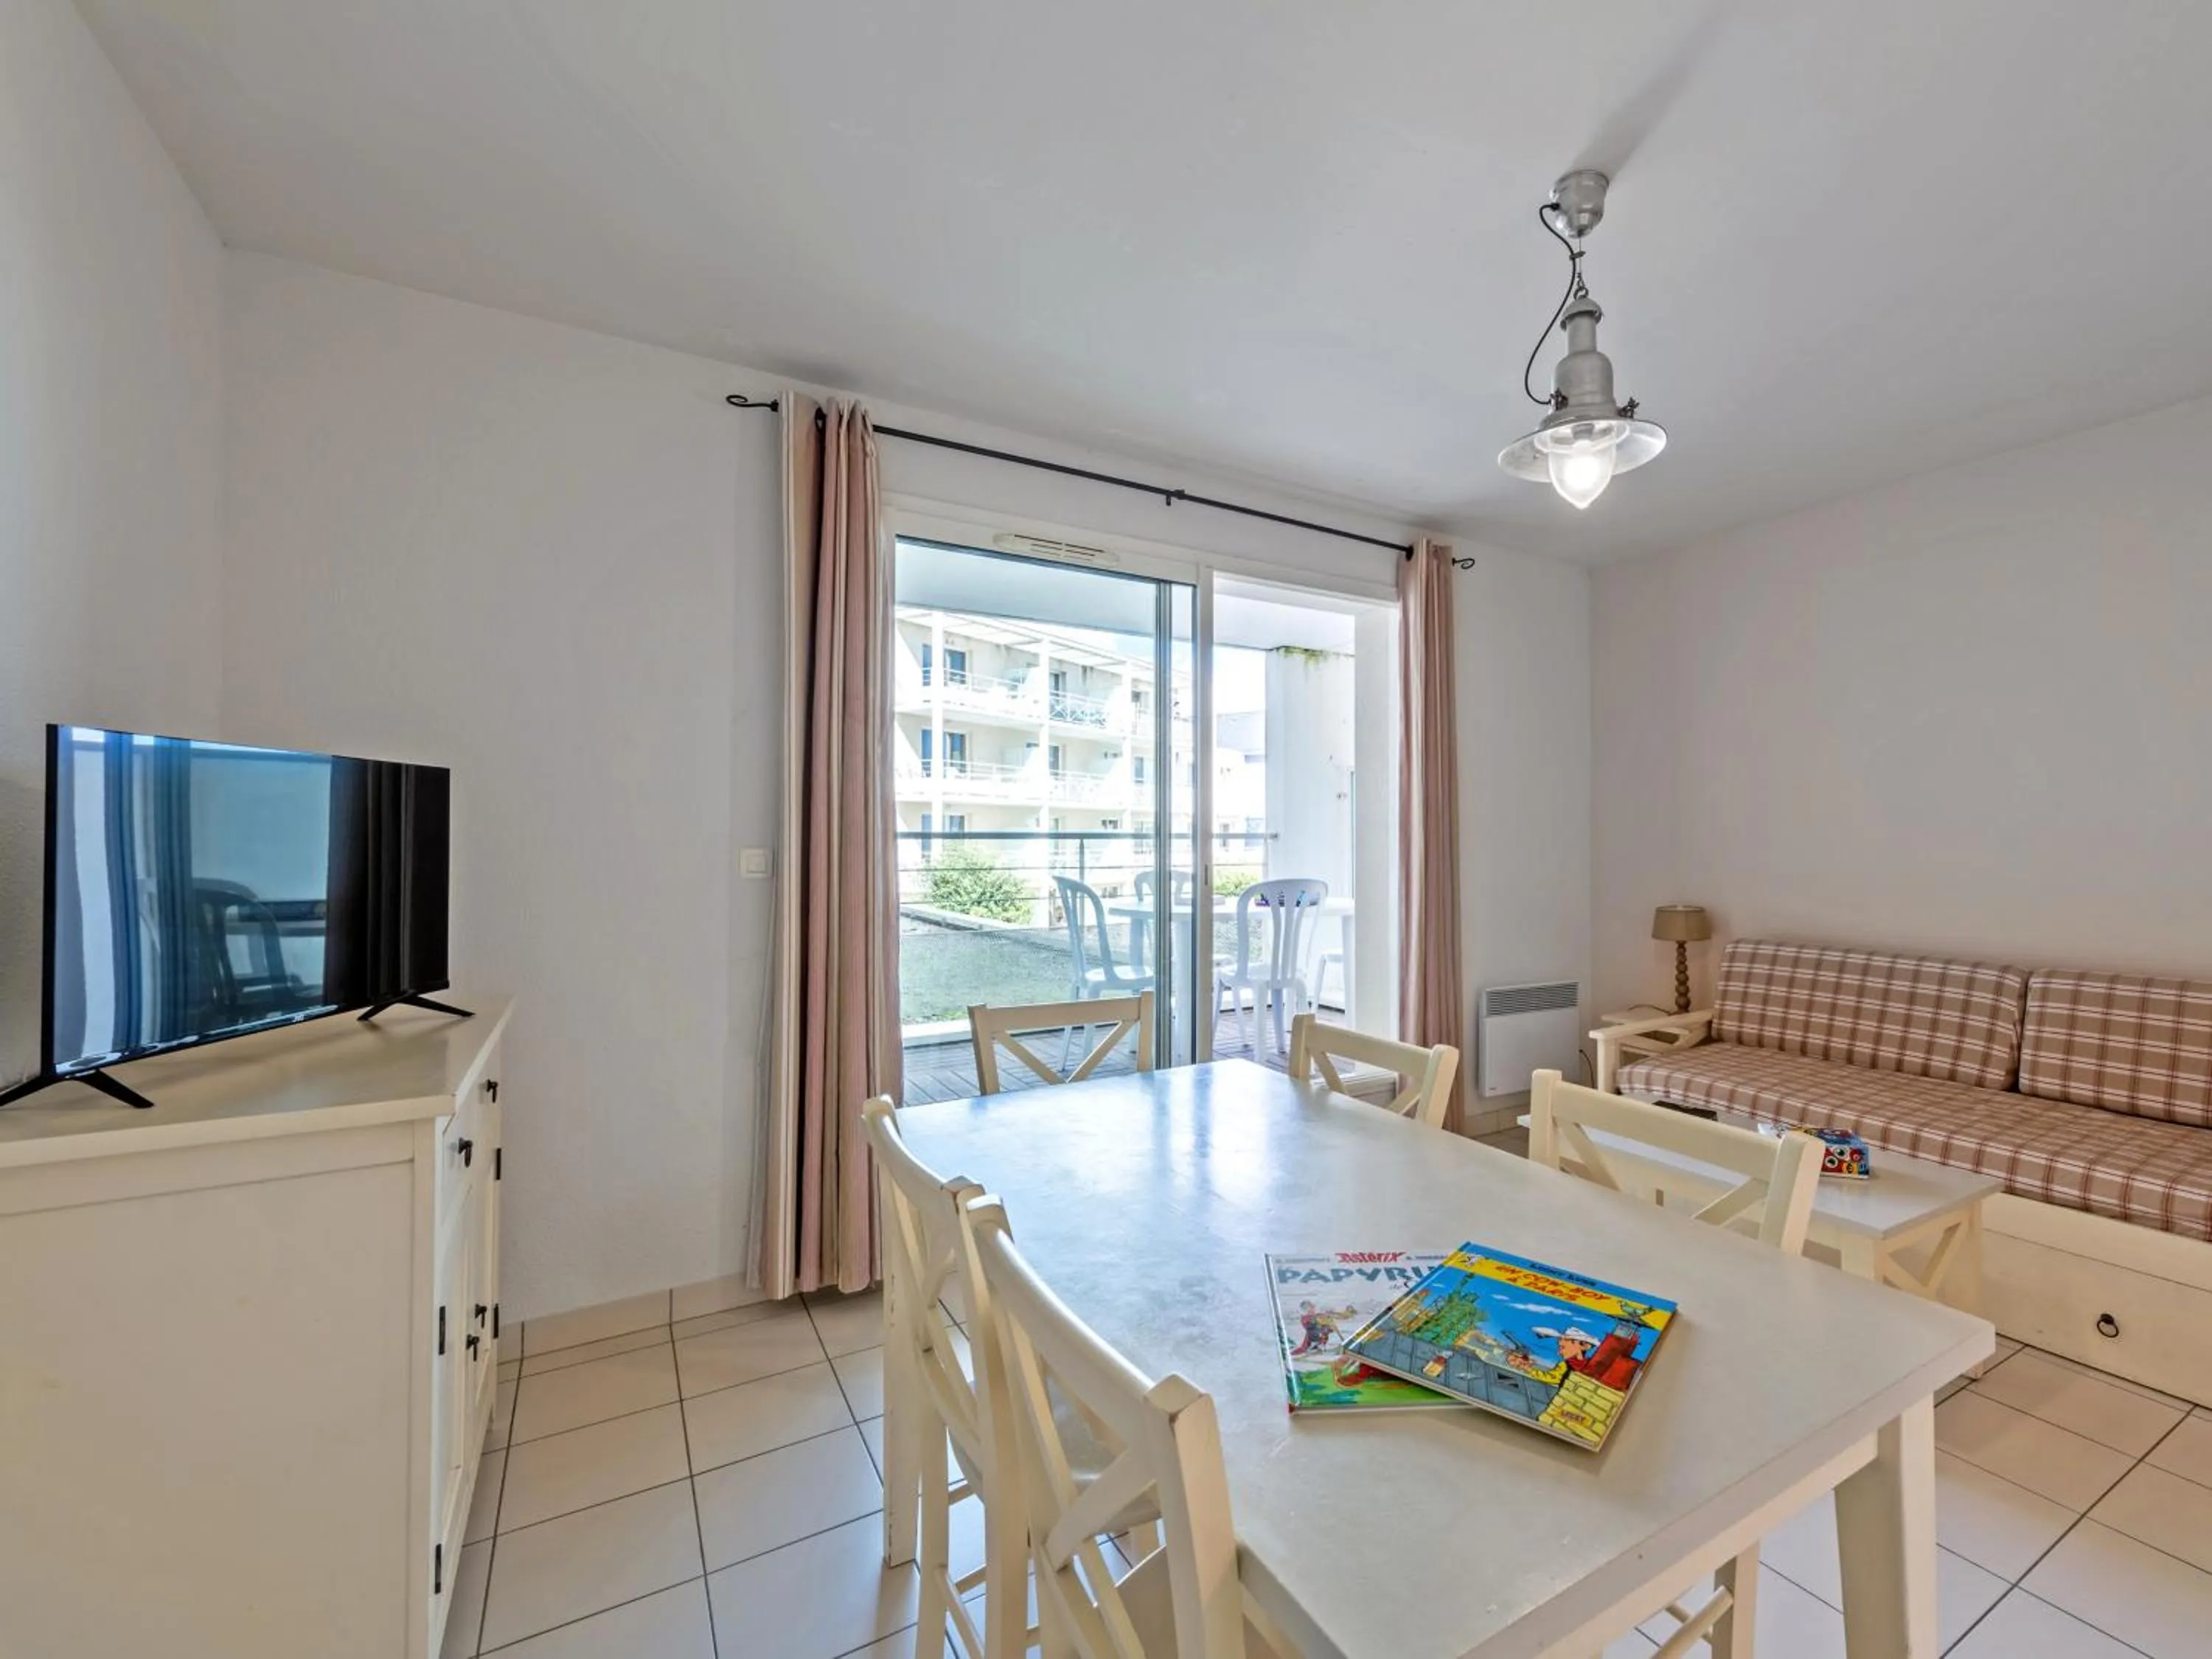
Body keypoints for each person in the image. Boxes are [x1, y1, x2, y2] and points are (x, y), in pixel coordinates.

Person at [1533, 1321, 1643, 1391]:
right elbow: (1552, 1377)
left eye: (1563, 1347)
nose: (1559, 1352)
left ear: (1584, 1346)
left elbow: (1552, 1377)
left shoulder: (1592, 1365)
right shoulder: (1570, 1365)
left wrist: (1528, 1368)